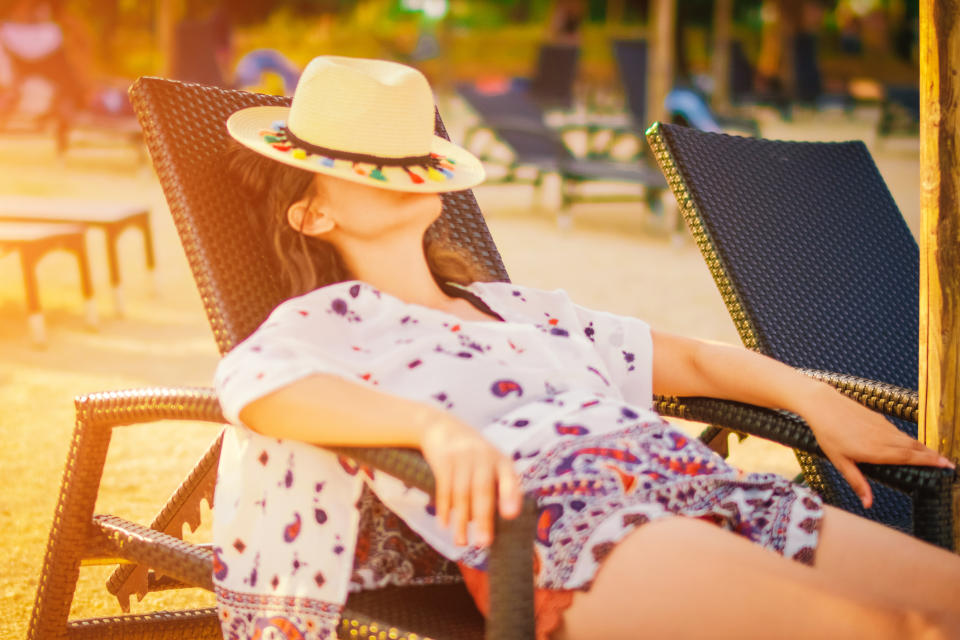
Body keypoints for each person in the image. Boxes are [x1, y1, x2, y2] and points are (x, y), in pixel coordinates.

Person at [212, 56, 960, 640]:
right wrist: (431, 428)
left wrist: (817, 401)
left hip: (697, 479)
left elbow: (693, 359)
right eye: (354, 165)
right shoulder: (328, 321)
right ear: (310, 214)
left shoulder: (519, 308)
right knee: (896, 633)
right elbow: (256, 387)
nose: (397, 171)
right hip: (570, 519)